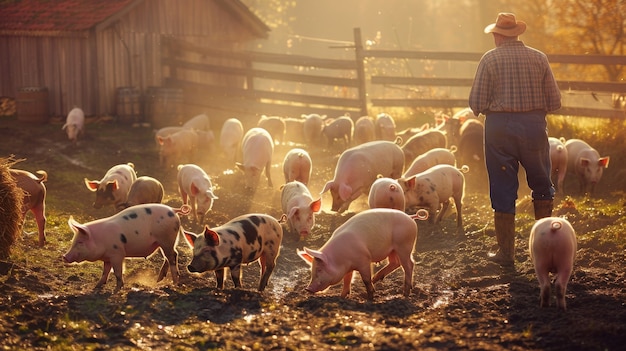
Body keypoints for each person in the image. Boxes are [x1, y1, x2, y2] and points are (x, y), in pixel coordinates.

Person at [469, 13, 562, 266]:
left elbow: (475, 103)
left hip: (499, 128)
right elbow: (555, 102)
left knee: (502, 186)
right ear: (516, 33)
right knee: (542, 185)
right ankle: (546, 251)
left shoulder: (489, 59)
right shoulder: (539, 57)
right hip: (533, 125)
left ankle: (506, 255)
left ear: (498, 36)